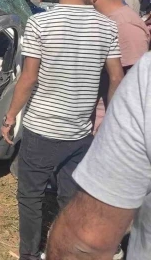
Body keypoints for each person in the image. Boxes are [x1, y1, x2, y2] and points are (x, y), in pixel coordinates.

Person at [0, 0, 125, 260]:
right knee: (70, 198)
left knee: (30, 196)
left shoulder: (40, 24)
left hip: (41, 129)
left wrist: (10, 116)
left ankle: (29, 254)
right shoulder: (107, 27)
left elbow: (28, 78)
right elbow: (116, 78)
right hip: (80, 133)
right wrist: (109, 121)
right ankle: (65, 252)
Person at [45, 52, 151, 260]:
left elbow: (85, 244)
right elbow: (116, 77)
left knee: (34, 190)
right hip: (85, 124)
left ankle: (27, 251)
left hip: (48, 124)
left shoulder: (148, 76)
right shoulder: (113, 28)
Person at [86, 0, 150, 134]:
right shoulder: (109, 20)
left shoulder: (124, 25)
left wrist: (110, 126)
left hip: (108, 130)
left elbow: (131, 83)